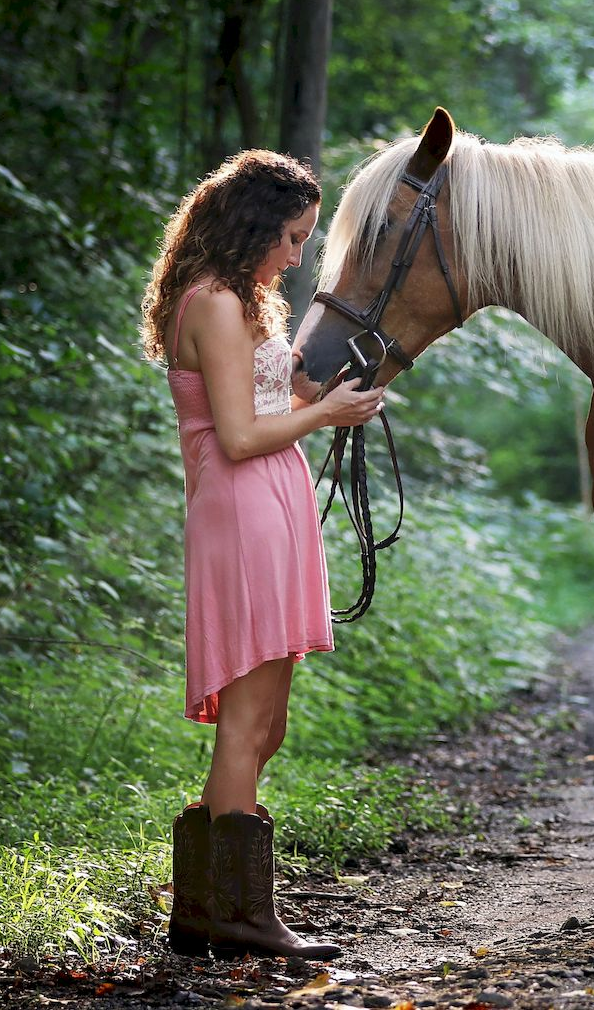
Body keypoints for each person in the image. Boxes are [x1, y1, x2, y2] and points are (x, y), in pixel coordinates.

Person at [138, 150, 383, 960]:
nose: (296, 255)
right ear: (251, 226)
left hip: (272, 504)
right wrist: (324, 418)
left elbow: (272, 397)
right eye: (290, 236)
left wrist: (335, 396)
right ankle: (235, 914)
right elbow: (239, 436)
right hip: (243, 507)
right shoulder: (208, 303)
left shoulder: (249, 300)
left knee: (266, 724)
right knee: (245, 725)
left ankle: (208, 905)